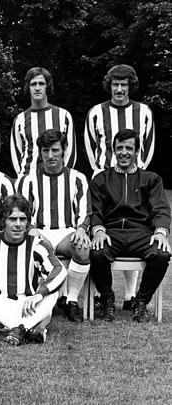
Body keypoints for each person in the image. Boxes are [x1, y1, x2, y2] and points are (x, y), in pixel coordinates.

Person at [84, 64, 156, 306]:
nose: (119, 89)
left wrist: (138, 174)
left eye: (124, 85)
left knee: (135, 225)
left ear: (130, 86)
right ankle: (98, 295)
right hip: (105, 180)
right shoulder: (96, 112)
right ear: (109, 86)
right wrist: (101, 173)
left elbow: (148, 145)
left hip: (135, 179)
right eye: (115, 84)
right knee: (100, 229)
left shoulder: (144, 111)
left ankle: (130, 295)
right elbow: (90, 145)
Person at [89, 129, 170, 323]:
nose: (124, 152)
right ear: (113, 151)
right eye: (119, 148)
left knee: (161, 254)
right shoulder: (101, 179)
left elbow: (161, 209)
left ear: (136, 152)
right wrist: (98, 230)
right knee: (97, 253)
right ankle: (107, 299)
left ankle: (140, 302)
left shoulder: (151, 179)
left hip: (141, 233)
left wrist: (160, 232)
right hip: (112, 233)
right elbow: (95, 210)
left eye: (128, 148)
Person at [16, 129, 91, 322]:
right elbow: (22, 212)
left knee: (83, 248)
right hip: (39, 231)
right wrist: (32, 229)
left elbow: (84, 211)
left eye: (55, 150)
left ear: (64, 150)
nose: (50, 155)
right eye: (45, 150)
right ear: (40, 153)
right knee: (44, 248)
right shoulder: (27, 180)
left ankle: (71, 300)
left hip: (67, 232)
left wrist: (82, 228)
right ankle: (54, 297)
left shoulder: (78, 178)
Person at [0, 194, 66, 345]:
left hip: (28, 306)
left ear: (28, 222)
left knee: (52, 290)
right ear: (3, 221)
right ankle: (25, 328)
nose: (18, 224)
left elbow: (60, 271)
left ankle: (19, 329)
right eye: (12, 219)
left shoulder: (37, 245)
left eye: (22, 219)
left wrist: (39, 295)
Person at [10, 67, 75, 177]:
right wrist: (23, 178)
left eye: (41, 84)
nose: (37, 88)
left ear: (47, 86)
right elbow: (16, 154)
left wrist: (63, 176)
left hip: (58, 178)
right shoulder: (20, 120)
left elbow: (70, 151)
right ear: (28, 87)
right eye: (33, 84)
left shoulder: (63, 116)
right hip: (29, 179)